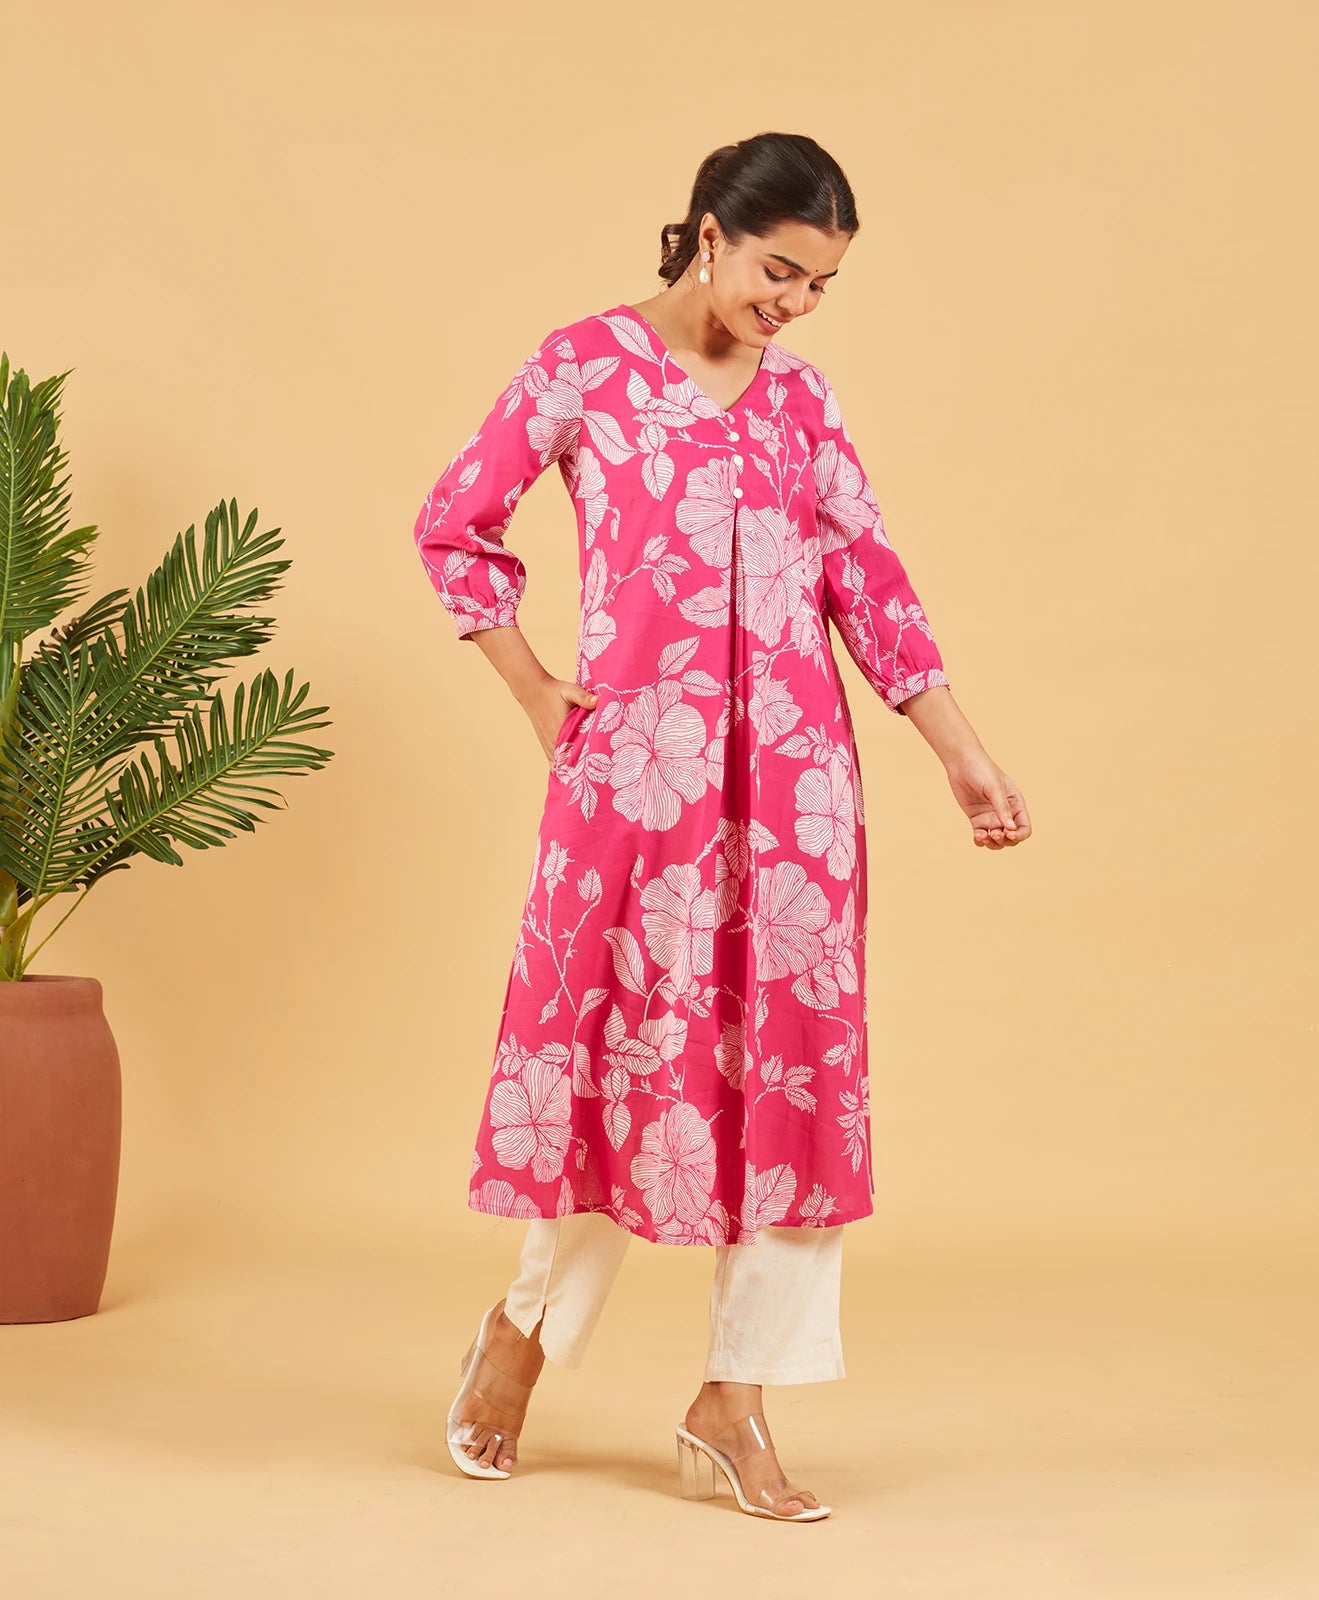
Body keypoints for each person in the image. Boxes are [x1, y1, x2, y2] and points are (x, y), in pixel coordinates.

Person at [413, 132, 1031, 1522]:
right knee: (617, 1059)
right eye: (779, 270)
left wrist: (961, 754)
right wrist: (536, 693)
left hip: (798, 792)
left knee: (795, 1080)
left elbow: (870, 582)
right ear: (709, 233)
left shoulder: (804, 402)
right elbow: (456, 525)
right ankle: (522, 1332)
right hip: (638, 782)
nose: (794, 303)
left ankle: (736, 1396)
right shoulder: (585, 364)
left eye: (820, 284)